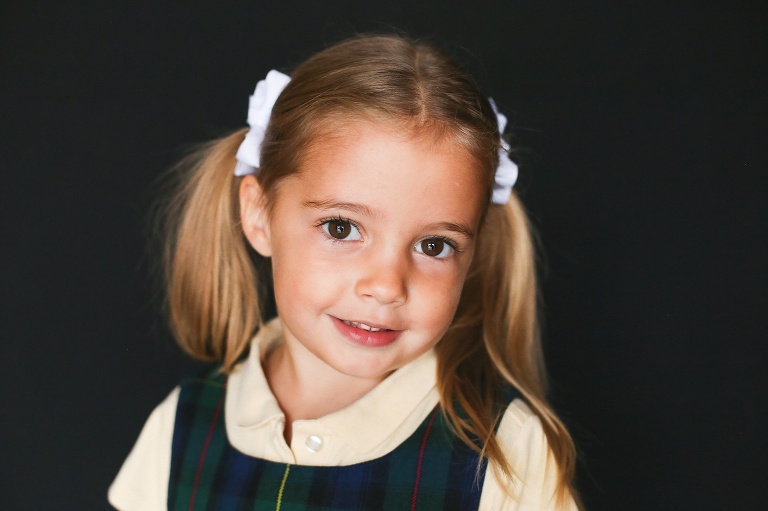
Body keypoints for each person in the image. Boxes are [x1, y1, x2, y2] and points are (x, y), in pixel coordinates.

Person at [109, 34, 580, 510]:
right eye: (341, 227)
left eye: (433, 245)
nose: (385, 285)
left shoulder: (504, 451)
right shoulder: (182, 428)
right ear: (259, 216)